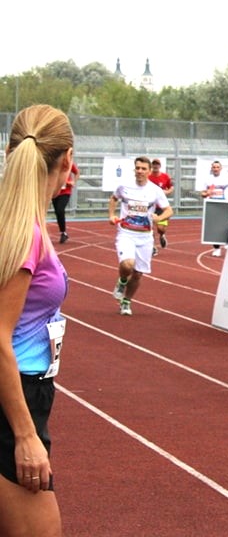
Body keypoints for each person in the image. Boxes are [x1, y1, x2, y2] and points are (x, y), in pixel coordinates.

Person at [0, 104, 75, 537]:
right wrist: (25, 436)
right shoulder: (23, 233)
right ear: (67, 159)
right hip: (16, 400)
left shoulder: (21, 223)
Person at [108, 156, 173, 316]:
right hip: (126, 233)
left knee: (137, 274)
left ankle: (126, 301)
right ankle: (122, 282)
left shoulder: (155, 190)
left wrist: (159, 218)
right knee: (127, 265)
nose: (140, 171)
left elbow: (169, 210)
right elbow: (114, 198)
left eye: (144, 169)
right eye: (137, 168)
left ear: (149, 171)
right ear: (134, 169)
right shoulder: (124, 186)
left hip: (145, 237)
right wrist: (111, 215)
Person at [200, 160, 228, 257]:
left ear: (221, 168)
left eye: (217, 167)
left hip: (223, 204)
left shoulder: (226, 178)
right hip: (212, 205)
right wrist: (207, 193)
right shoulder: (207, 180)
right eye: (214, 167)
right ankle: (216, 248)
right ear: (211, 169)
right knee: (214, 226)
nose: (216, 169)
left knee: (226, 224)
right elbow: (202, 193)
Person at [148, 158, 174, 255]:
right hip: (150, 206)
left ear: (160, 166)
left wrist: (167, 192)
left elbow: (171, 187)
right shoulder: (148, 177)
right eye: (153, 164)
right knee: (149, 228)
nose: (155, 166)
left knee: (160, 228)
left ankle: (162, 235)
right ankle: (153, 247)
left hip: (161, 207)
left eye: (157, 164)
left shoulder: (165, 177)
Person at [50, 160, 79, 244]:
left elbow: (77, 173)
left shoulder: (68, 163)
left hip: (65, 192)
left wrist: (73, 182)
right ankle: (63, 232)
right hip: (55, 191)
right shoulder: (53, 163)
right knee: (58, 213)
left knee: (60, 210)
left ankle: (63, 232)